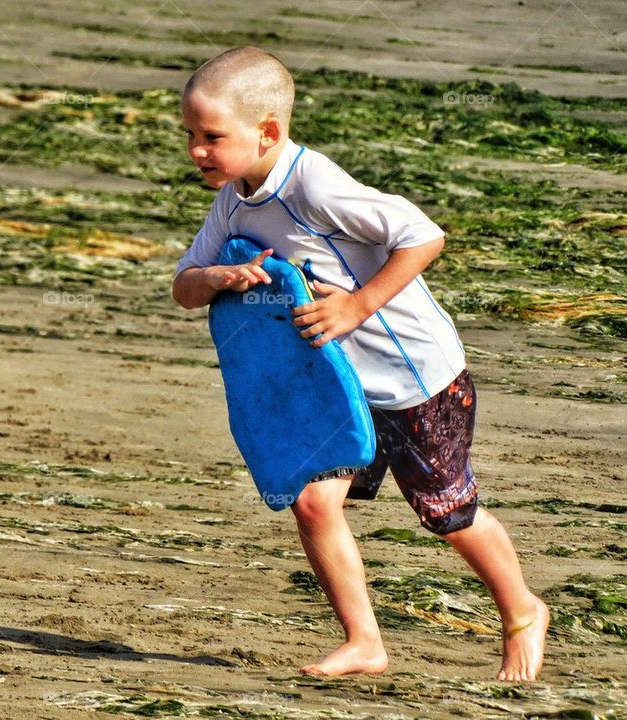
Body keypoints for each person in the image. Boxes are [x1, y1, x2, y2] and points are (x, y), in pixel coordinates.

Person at [170, 46, 548, 681]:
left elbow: (424, 234)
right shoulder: (232, 201)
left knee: (447, 513)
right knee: (314, 503)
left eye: (212, 137)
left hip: (415, 376)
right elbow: (183, 287)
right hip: (338, 388)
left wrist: (356, 307)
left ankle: (522, 610)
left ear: (269, 132)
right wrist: (215, 276)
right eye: (189, 136)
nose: (197, 152)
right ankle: (365, 641)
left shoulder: (314, 184)